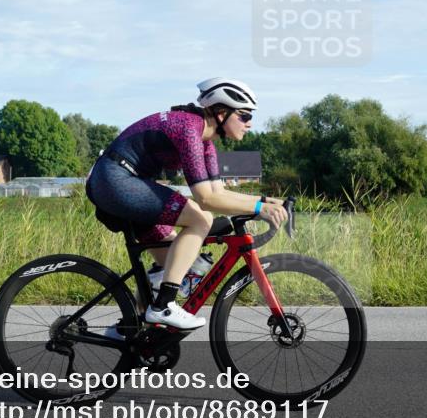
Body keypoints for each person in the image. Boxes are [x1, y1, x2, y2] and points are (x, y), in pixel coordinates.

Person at [85, 77, 288, 330]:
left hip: (125, 181)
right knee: (201, 219)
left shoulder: (206, 143)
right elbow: (206, 199)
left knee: (171, 262)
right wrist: (260, 209)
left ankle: (128, 329)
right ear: (222, 112)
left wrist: (264, 201)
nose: (250, 124)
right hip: (114, 179)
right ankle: (163, 307)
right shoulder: (188, 129)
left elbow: (219, 191)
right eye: (245, 116)